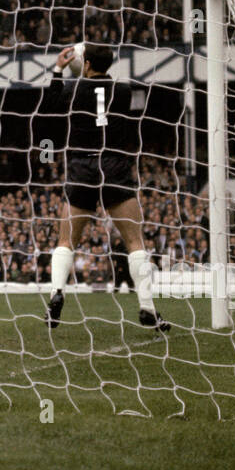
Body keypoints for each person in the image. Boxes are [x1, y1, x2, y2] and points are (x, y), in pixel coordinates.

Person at [44, 43, 169, 333]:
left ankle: (56, 293)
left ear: (85, 64)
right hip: (114, 165)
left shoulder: (73, 91)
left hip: (81, 165)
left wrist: (60, 69)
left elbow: (51, 102)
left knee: (66, 240)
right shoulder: (124, 91)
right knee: (134, 241)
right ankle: (147, 308)